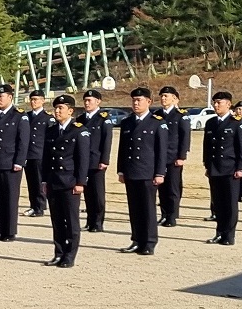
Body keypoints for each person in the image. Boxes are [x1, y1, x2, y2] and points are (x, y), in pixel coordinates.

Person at [115, 88, 168, 255]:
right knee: (134, 208)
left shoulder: (157, 122)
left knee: (148, 208)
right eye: (134, 100)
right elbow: (122, 148)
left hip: (148, 172)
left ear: (149, 102)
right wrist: (121, 170)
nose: (136, 103)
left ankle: (149, 242)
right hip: (131, 171)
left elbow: (161, 151)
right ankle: (136, 240)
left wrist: (160, 173)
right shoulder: (127, 122)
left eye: (139, 100)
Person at [200, 92, 242, 245]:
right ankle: (219, 232)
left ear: (228, 104)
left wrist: (241, 168)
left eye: (219, 102)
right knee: (218, 203)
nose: (216, 105)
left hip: (231, 169)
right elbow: (207, 147)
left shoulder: (237, 123)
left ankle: (229, 235)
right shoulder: (211, 123)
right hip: (215, 168)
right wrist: (207, 165)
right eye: (214, 102)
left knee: (230, 204)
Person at [40, 95, 86, 267]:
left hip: (70, 181)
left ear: (71, 111)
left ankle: (70, 255)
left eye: (61, 108)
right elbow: (46, 158)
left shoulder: (79, 131)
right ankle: (59, 253)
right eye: (56, 108)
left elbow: (82, 159)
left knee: (71, 221)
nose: (57, 111)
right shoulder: (51, 130)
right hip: (53, 180)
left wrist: (80, 182)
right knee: (57, 220)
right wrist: (44, 180)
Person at [0, 84, 29, 242]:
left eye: (1, 96)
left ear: (10, 97)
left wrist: (19, 161)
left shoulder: (19, 115)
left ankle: (9, 231)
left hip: (10, 163)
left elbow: (23, 141)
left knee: (10, 198)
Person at [79, 90, 113, 232]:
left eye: (90, 100)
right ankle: (90, 220)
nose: (87, 103)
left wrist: (104, 160)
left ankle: (98, 222)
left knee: (97, 193)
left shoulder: (103, 118)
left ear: (98, 101)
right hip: (83, 161)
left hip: (96, 160)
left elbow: (107, 141)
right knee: (87, 193)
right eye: (85, 100)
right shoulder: (80, 119)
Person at [155, 87, 189, 226]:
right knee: (161, 187)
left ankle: (172, 216)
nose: (163, 98)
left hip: (173, 156)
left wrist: (181, 156)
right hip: (159, 157)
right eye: (162, 96)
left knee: (173, 187)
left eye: (166, 96)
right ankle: (164, 214)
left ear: (174, 98)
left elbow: (185, 137)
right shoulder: (157, 115)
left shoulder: (180, 115)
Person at [23, 90, 50, 217]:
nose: (33, 102)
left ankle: (40, 206)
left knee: (39, 181)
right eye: (32, 99)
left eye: (36, 99)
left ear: (42, 101)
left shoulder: (47, 118)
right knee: (31, 182)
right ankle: (33, 205)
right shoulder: (26, 116)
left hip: (40, 153)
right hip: (28, 153)